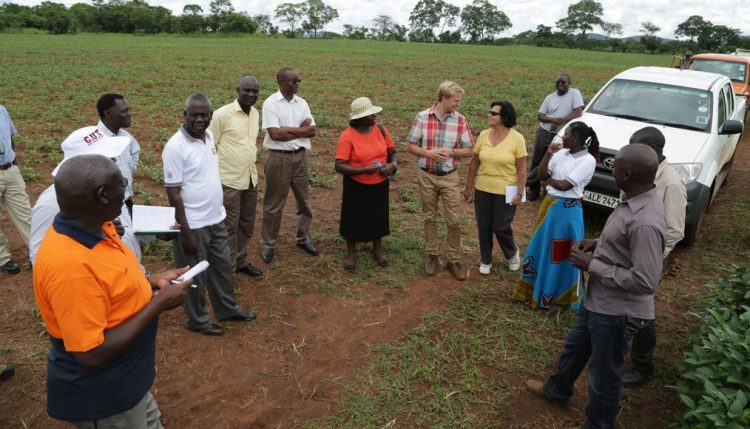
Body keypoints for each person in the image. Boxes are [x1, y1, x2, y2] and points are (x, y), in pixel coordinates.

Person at [33, 154, 192, 428]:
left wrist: (152, 281)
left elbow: (110, 285)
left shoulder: (100, 229)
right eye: (122, 183)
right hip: (106, 397)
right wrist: (157, 305)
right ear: (103, 195)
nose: (127, 189)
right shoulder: (70, 266)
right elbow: (90, 355)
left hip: (129, 383)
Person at [525, 144, 666, 429]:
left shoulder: (646, 222)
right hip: (599, 301)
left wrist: (593, 265)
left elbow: (645, 281)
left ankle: (598, 424)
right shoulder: (634, 200)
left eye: (614, 166)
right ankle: (557, 389)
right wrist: (597, 243)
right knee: (575, 348)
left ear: (626, 173)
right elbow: (621, 242)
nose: (610, 169)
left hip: (617, 313)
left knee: (603, 375)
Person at [163, 93, 257, 337]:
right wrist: (185, 232)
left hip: (216, 218)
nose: (199, 119)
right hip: (193, 224)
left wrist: (219, 214)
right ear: (185, 115)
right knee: (193, 276)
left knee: (222, 269)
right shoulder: (175, 146)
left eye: (204, 115)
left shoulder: (208, 136)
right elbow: (173, 194)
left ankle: (226, 308)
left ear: (211, 116)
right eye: (194, 115)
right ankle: (197, 319)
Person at [622, 126, 686, 387]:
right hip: (627, 251)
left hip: (648, 257)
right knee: (626, 304)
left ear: (655, 151)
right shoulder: (638, 173)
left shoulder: (670, 183)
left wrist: (650, 256)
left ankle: (642, 365)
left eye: (637, 146)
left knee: (642, 311)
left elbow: (674, 230)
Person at [514, 122, 599, 310]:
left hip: (567, 213)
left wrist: (548, 182)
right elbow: (541, 174)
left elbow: (564, 186)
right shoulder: (561, 154)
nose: (562, 138)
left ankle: (558, 296)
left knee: (560, 254)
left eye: (566, 134)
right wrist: (548, 154)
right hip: (549, 208)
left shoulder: (587, 160)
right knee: (542, 247)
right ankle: (538, 289)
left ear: (575, 138)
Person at [30, 126, 136, 264]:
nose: (114, 163)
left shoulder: (107, 188)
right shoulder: (51, 204)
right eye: (109, 158)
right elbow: (41, 259)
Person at [407, 81, 475, 281]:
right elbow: (410, 146)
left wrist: (452, 151)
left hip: (449, 177)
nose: (458, 104)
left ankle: (453, 259)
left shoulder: (460, 121)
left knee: (453, 219)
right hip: (426, 174)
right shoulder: (422, 117)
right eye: (456, 100)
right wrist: (429, 153)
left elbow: (470, 149)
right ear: (443, 99)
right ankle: (432, 255)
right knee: (429, 217)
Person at [259, 67, 318, 264]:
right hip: (278, 158)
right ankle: (268, 244)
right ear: (282, 82)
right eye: (294, 81)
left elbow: (312, 131)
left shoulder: (302, 103)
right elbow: (275, 134)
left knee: (304, 202)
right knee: (274, 204)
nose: (297, 84)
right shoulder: (270, 103)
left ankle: (302, 238)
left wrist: (291, 131)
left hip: (300, 158)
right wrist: (300, 130)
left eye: (298, 80)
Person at [334, 97, 398, 272]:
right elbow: (339, 165)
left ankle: (377, 248)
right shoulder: (347, 136)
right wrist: (363, 170)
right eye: (370, 115)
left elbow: (393, 152)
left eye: (374, 113)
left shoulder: (381, 129)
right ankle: (351, 254)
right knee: (353, 217)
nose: (374, 116)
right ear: (358, 119)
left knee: (378, 216)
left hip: (379, 182)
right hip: (356, 184)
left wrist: (391, 165)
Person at [208, 76, 263, 278]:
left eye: (255, 91)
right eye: (246, 91)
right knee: (229, 228)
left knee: (246, 225)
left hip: (250, 179)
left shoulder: (255, 114)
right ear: (237, 90)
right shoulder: (222, 115)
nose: (251, 95)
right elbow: (209, 147)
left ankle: (240, 261)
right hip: (228, 181)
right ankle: (226, 271)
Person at [463, 101, 526, 275]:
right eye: (489, 112)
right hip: (483, 188)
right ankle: (486, 259)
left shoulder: (517, 138)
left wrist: (520, 193)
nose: (489, 115)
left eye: (493, 113)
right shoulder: (483, 135)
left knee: (500, 226)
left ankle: (512, 252)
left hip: (507, 190)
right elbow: (474, 163)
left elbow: (522, 169)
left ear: (504, 117)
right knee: (483, 226)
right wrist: (468, 186)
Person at [527, 74, 584, 201]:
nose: (560, 84)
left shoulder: (574, 94)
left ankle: (537, 187)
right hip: (544, 132)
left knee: (550, 162)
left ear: (569, 83)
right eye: (558, 82)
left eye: (563, 82)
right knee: (536, 161)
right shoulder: (550, 97)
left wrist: (561, 121)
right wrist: (553, 120)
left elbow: (578, 112)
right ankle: (533, 190)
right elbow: (540, 116)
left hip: (561, 136)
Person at [96, 93, 140, 215]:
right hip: (106, 207)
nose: (129, 114)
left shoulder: (126, 137)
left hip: (127, 202)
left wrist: (127, 174)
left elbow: (135, 154)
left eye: (129, 110)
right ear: (108, 113)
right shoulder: (96, 142)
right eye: (124, 111)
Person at [0, 104, 31, 275]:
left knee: (25, 213)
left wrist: (14, 162)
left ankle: (38, 251)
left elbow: (10, 136)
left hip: (10, 169)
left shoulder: (2, 110)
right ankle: (2, 259)